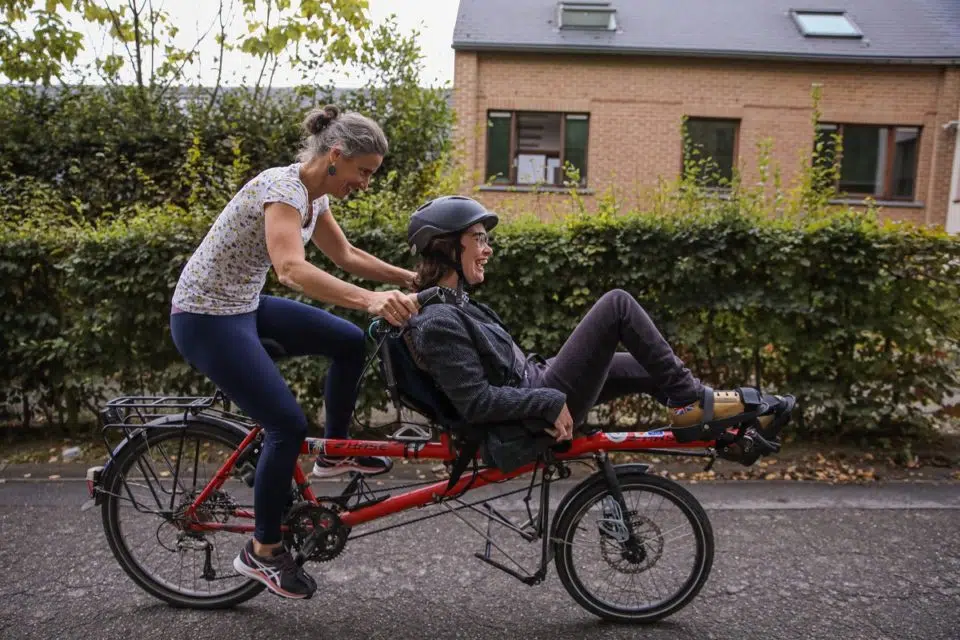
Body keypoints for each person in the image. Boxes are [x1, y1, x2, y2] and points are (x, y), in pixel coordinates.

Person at [170, 105, 420, 599]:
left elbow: (346, 257)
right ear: (335, 156)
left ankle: (333, 454)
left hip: (242, 305)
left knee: (350, 341)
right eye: (362, 172)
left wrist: (408, 279)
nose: (365, 183)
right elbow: (290, 268)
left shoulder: (315, 197)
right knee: (284, 424)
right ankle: (262, 552)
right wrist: (371, 300)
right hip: (204, 318)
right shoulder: (282, 189)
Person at [404, 195, 790, 450]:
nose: (488, 249)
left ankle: (719, 428)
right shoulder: (439, 321)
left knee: (642, 365)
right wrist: (550, 400)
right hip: (531, 413)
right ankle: (694, 398)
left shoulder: (452, 305)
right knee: (617, 305)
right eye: (480, 238)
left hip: (537, 381)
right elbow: (476, 402)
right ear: (448, 245)